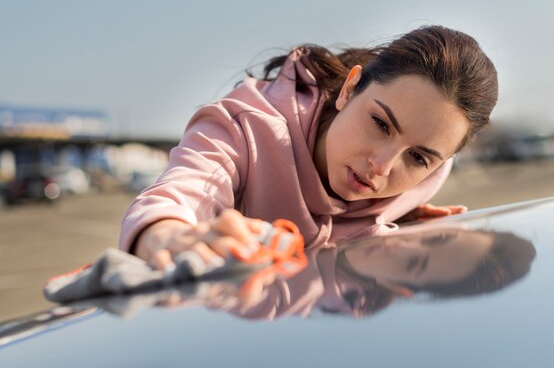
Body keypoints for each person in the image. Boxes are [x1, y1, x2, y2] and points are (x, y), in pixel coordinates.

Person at [120, 25, 498, 270]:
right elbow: (180, 193)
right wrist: (168, 235)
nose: (381, 167)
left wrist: (392, 223)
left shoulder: (427, 177)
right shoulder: (248, 126)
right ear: (350, 88)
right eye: (380, 124)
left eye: (418, 158)